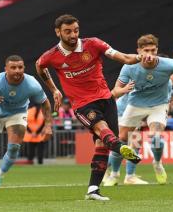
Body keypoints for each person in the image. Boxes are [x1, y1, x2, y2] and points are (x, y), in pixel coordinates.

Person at [36, 14, 151, 201]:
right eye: (68, 31)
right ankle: (120, 147)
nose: (73, 35)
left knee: (102, 144)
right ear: (58, 32)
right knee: (102, 130)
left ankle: (92, 190)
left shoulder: (94, 44)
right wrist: (54, 89)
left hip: (106, 99)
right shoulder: (52, 56)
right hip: (82, 104)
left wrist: (140, 57)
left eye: (75, 30)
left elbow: (123, 58)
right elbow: (40, 66)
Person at [105, 34, 173, 186]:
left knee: (156, 137)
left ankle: (157, 164)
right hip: (134, 105)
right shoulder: (130, 66)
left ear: (157, 50)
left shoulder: (167, 65)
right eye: (146, 51)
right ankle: (113, 174)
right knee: (121, 140)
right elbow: (114, 92)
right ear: (138, 51)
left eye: (153, 50)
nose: (150, 55)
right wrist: (124, 89)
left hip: (158, 105)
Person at [0, 55, 52, 187]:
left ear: (24, 68)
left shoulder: (32, 84)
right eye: (13, 67)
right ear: (6, 69)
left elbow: (45, 103)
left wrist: (48, 126)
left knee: (13, 148)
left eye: (20, 67)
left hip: (17, 114)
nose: (17, 70)